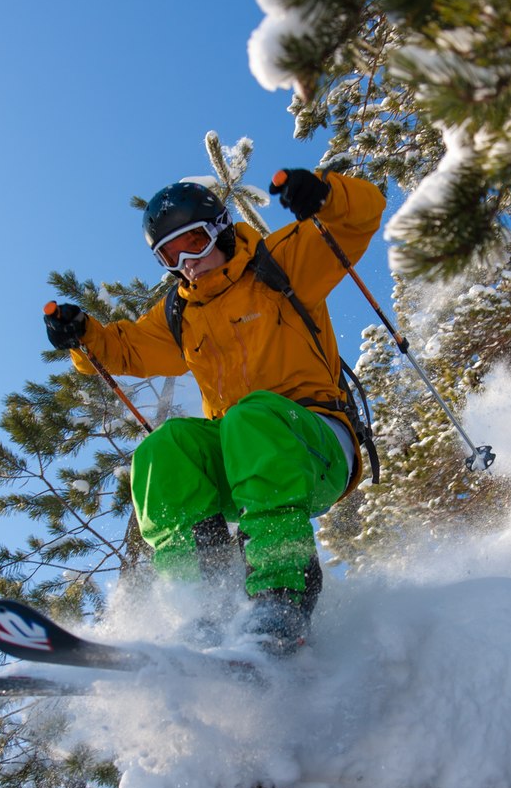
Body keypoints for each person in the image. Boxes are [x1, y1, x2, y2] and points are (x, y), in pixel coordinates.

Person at [44, 168, 385, 655]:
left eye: (195, 243)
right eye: (170, 256)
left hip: (317, 445)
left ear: (221, 229)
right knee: (166, 448)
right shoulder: (183, 313)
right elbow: (126, 350)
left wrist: (327, 194)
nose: (188, 263)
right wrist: (84, 336)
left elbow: (361, 218)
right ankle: (207, 610)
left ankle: (282, 595)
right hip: (245, 458)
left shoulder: (280, 264)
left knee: (252, 416)